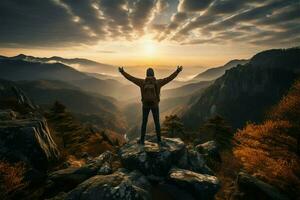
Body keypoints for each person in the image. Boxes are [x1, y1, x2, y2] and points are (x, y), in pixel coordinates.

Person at [119, 66, 183, 145]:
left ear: (146, 74)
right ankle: (159, 140)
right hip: (155, 105)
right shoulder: (158, 82)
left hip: (145, 105)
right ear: (153, 74)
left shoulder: (142, 82)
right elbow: (169, 78)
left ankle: (142, 140)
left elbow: (131, 78)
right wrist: (177, 71)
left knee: (144, 123)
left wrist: (122, 72)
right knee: (157, 123)